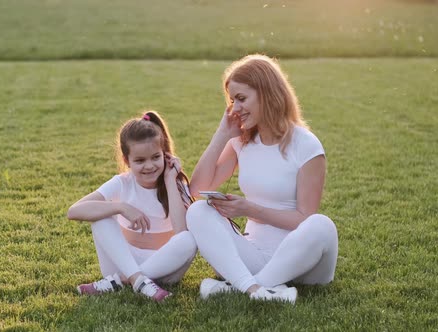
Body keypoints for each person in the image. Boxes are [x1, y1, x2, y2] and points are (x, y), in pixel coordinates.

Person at [186, 54, 338, 304]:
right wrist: (222, 134)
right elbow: (198, 189)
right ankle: (259, 289)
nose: (235, 108)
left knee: (321, 225)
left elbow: (303, 219)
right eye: (232, 100)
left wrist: (250, 209)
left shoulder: (306, 145)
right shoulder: (240, 142)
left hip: (305, 262)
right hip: (255, 255)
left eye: (242, 98)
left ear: (267, 94)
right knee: (198, 210)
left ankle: (240, 287)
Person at [67, 111, 197, 302]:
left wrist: (170, 180)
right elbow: (74, 211)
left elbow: (180, 232)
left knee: (188, 239)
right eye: (140, 161)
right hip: (123, 262)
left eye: (155, 157)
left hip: (165, 270)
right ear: (127, 161)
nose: (149, 166)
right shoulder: (122, 183)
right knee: (101, 216)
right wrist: (121, 207)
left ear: (165, 154)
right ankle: (138, 280)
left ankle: (121, 281)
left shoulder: (176, 184)